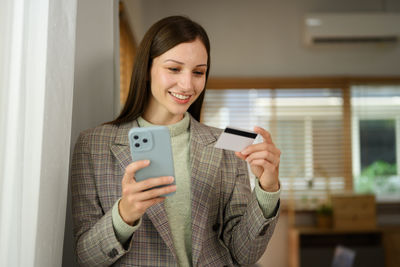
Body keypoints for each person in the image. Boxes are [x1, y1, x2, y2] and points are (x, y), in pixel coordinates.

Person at [71, 15, 281, 267]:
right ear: (146, 69)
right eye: (173, 69)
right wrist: (124, 214)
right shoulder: (93, 145)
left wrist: (267, 188)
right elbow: (86, 258)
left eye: (198, 72)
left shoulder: (226, 144)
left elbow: (244, 254)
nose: (187, 84)